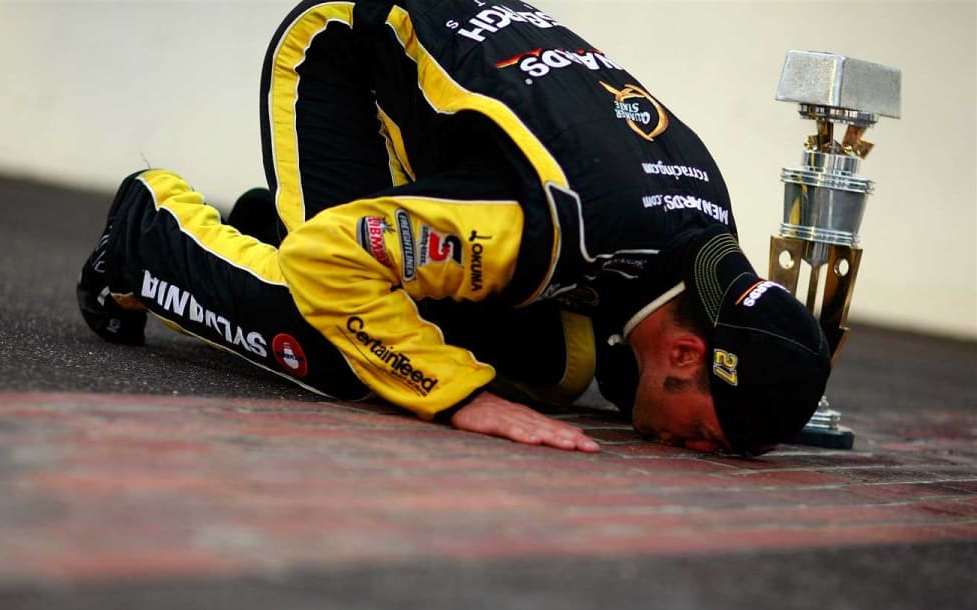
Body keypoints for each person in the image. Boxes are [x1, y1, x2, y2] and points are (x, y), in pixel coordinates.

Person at [77, 0, 831, 457]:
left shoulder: (705, 242)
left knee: (556, 368)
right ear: (686, 349)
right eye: (711, 434)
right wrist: (456, 395)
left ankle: (262, 232)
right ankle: (145, 234)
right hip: (345, 55)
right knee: (354, 350)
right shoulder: (562, 225)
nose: (696, 448)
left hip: (467, 127)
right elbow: (332, 259)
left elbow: (617, 348)